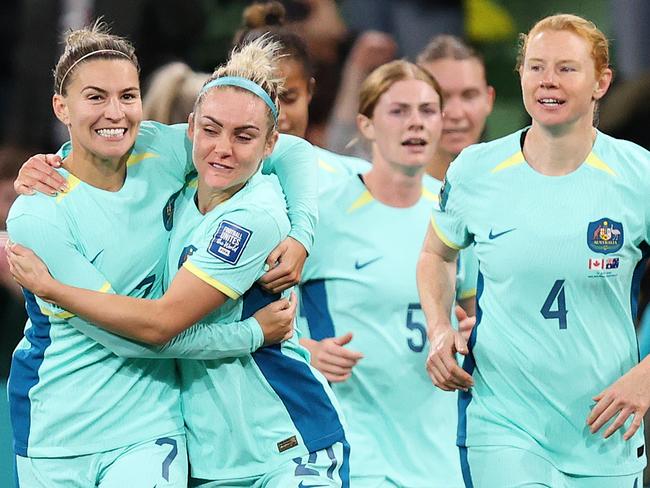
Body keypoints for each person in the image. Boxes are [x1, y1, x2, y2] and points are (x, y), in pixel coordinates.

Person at [8, 35, 350, 488]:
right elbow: (136, 335)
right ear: (60, 107)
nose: (115, 113)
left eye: (128, 96)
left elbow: (293, 149)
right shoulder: (41, 209)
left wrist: (302, 234)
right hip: (60, 428)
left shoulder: (221, 194)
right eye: (95, 97)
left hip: (163, 424)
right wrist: (252, 332)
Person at [417, 13, 649, 487]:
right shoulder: (474, 170)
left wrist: (647, 375)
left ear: (601, 82)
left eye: (567, 68)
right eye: (536, 66)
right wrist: (440, 329)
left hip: (605, 428)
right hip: (502, 423)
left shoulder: (638, 174)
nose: (549, 81)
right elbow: (436, 255)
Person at [300, 59, 467, 487]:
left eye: (428, 111)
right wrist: (304, 350)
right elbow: (253, 310)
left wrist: (471, 334)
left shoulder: (455, 214)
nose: (416, 123)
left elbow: (473, 314)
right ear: (367, 124)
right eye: (399, 111)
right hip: (352, 450)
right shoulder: (323, 211)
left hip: (441, 453)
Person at [416, 35, 495, 182]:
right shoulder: (384, 197)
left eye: (469, 96)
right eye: (441, 97)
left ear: (489, 100)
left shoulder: (513, 191)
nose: (456, 114)